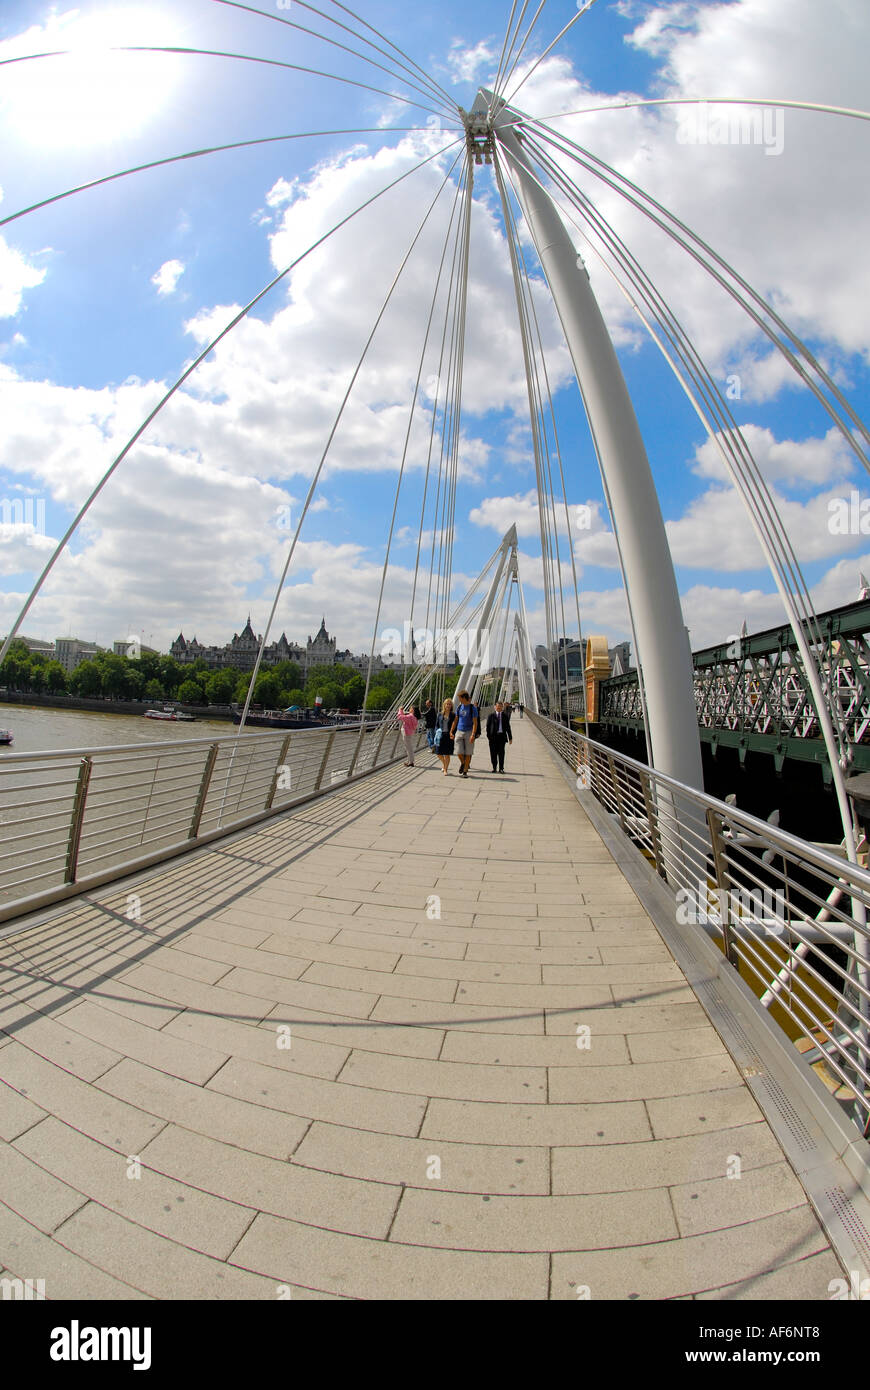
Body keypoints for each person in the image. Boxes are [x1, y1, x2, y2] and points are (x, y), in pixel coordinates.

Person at [450, 689, 479, 778]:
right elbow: (456, 720)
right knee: (458, 751)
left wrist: (473, 734)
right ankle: (463, 763)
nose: (459, 700)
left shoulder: (472, 708)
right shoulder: (459, 707)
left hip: (469, 732)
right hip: (459, 731)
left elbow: (475, 722)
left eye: (460, 698)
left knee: (468, 752)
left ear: (464, 698)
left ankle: (465, 771)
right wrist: (451, 731)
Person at [486, 700, 512, 772]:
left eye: (500, 707)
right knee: (493, 753)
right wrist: (488, 736)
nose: (499, 708)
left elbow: (508, 727)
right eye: (497, 707)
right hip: (493, 738)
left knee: (501, 753)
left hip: (502, 737)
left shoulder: (505, 716)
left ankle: (501, 768)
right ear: (495, 707)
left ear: (502, 708)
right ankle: (494, 767)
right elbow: (488, 727)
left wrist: (510, 737)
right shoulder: (491, 716)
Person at [435, 697, 455, 775]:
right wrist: (437, 731)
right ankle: (444, 764)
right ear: (444, 705)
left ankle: (445, 769)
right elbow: (436, 724)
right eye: (447, 704)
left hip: (449, 736)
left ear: (451, 705)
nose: (448, 705)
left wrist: (453, 733)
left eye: (450, 704)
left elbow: (455, 726)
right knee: (438, 753)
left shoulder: (453, 715)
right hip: (440, 736)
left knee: (447, 754)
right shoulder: (440, 714)